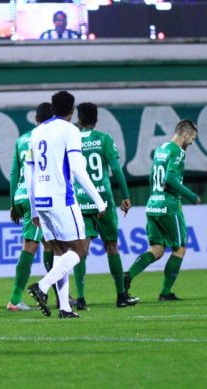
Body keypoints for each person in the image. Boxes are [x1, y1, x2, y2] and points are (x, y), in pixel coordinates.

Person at [25, 91, 107, 319]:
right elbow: (78, 169)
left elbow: (29, 172)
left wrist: (33, 208)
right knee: (80, 250)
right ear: (71, 112)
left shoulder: (37, 132)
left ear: (52, 107)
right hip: (62, 198)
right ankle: (41, 287)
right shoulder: (70, 130)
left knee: (61, 253)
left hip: (41, 199)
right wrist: (99, 201)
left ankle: (65, 307)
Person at [124, 120, 201, 302]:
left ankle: (128, 275)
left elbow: (153, 176)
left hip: (153, 204)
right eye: (192, 138)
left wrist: (155, 196)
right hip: (169, 206)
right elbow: (170, 179)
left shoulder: (161, 149)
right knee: (179, 248)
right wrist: (193, 196)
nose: (192, 143)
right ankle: (165, 292)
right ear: (186, 134)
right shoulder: (178, 152)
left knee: (157, 250)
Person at [71, 102, 138, 310]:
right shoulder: (105, 139)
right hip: (104, 202)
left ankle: (80, 299)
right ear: (96, 119)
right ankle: (121, 295)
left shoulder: (71, 140)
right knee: (111, 247)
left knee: (81, 250)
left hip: (81, 202)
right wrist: (125, 196)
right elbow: (117, 170)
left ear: (79, 119)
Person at [7, 102, 55, 312]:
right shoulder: (49, 137)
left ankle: (56, 292)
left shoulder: (21, 139)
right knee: (31, 246)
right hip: (37, 196)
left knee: (51, 243)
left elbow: (14, 173)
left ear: (35, 118)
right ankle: (15, 299)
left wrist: (12, 203)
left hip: (21, 195)